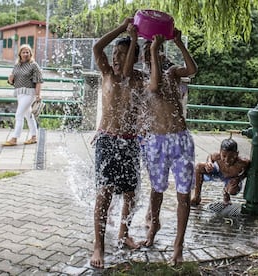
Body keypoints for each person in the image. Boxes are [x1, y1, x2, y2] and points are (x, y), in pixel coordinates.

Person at [90, 18, 143, 269]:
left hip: (130, 142)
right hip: (107, 140)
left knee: (131, 194)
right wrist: (123, 29)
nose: (116, 58)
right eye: (116, 53)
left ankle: (123, 233)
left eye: (122, 54)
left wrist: (134, 39)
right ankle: (98, 245)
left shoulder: (137, 79)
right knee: (105, 194)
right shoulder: (107, 74)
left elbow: (130, 70)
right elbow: (97, 48)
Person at [141, 31, 198, 266]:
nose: (152, 53)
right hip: (157, 141)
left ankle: (178, 245)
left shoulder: (172, 73)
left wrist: (178, 42)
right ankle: (154, 226)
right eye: (147, 51)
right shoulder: (141, 79)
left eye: (154, 49)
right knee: (157, 191)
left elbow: (192, 70)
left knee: (183, 195)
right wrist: (152, 50)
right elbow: (154, 87)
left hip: (180, 140)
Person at [2, 44, 43, 146]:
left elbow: (38, 81)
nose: (25, 54)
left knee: (19, 115)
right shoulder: (17, 65)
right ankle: (34, 136)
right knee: (28, 115)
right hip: (19, 93)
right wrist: (10, 80)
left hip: (29, 93)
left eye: (27, 52)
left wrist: (38, 95)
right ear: (20, 54)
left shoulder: (34, 65)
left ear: (30, 54)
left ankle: (15, 138)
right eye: (23, 52)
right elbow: (13, 81)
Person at [190, 138, 251, 206]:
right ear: (220, 152)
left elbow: (248, 172)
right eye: (224, 156)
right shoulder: (217, 156)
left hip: (231, 179)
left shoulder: (243, 163)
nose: (227, 160)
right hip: (218, 173)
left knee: (233, 190)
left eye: (231, 157)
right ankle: (197, 196)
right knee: (199, 166)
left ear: (237, 154)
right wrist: (209, 163)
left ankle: (225, 192)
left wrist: (239, 179)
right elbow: (210, 156)